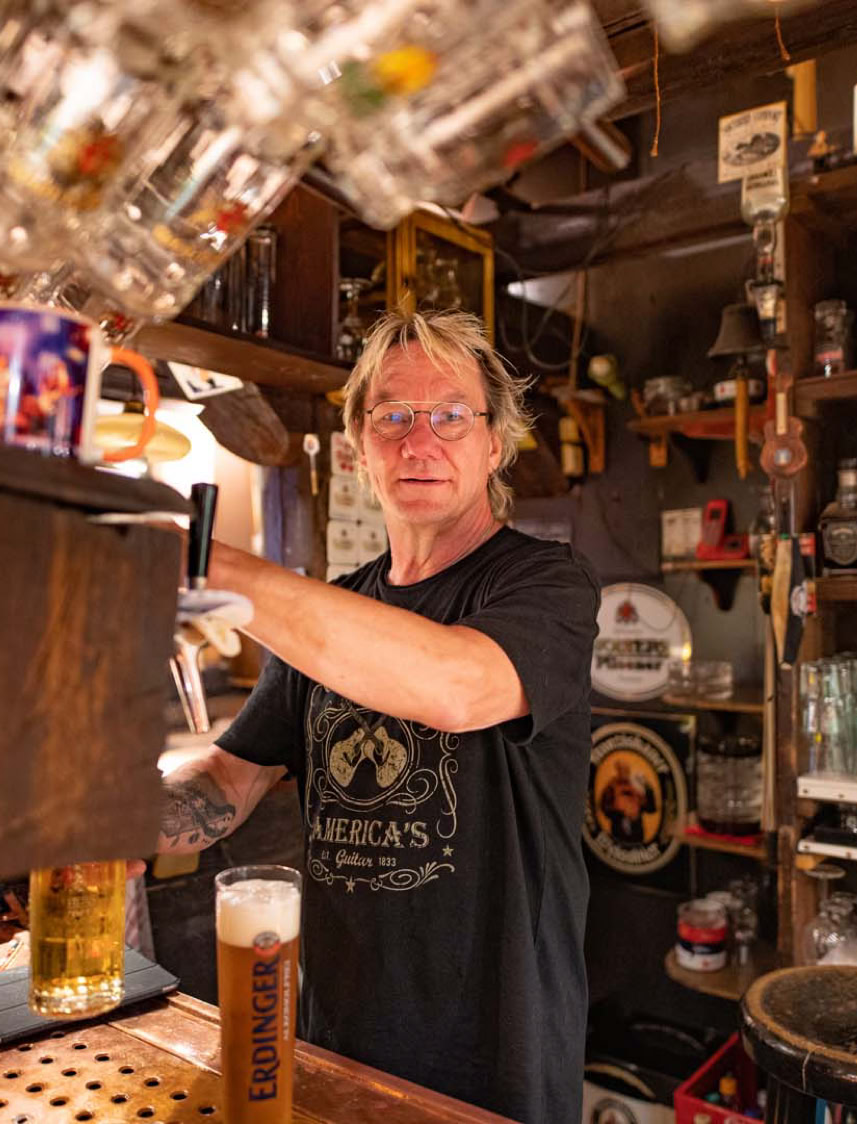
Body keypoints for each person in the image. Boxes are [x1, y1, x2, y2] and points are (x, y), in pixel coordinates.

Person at [151, 308, 600, 1122]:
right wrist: (94, 823)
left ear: (494, 442)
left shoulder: (549, 586)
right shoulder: (337, 611)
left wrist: (204, 561)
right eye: (392, 415)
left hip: (496, 1054)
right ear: (357, 444)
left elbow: (459, 687)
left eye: (450, 416)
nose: (418, 440)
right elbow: (230, 776)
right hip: (336, 1034)